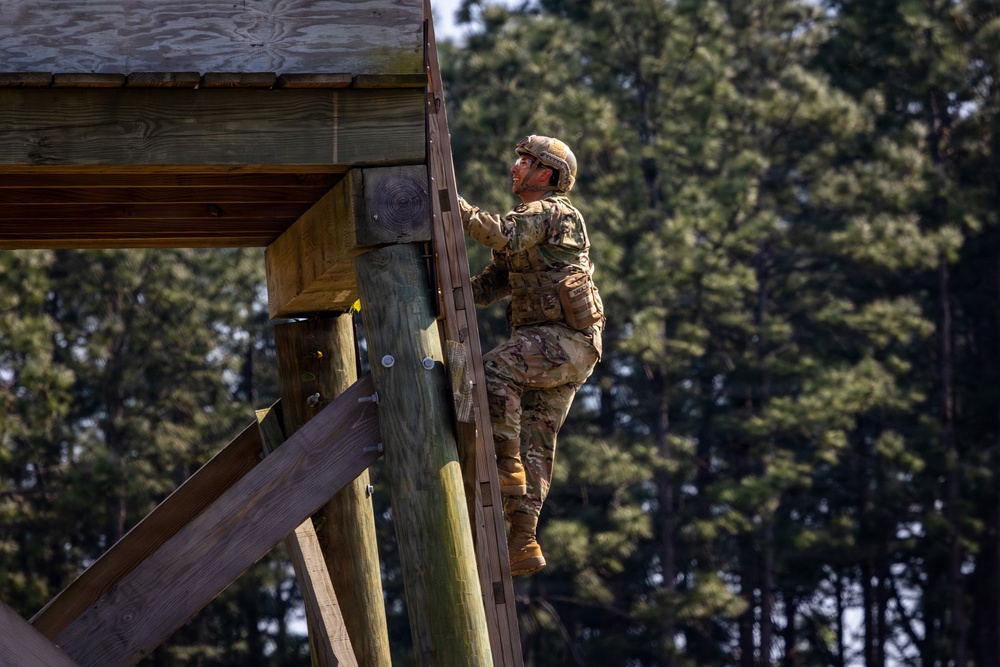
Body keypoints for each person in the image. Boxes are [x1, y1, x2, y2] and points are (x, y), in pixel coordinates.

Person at [458, 135, 604, 576]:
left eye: (525, 161)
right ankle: (523, 541)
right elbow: (491, 284)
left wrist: (451, 205)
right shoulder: (536, 225)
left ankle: (506, 468)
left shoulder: (551, 210)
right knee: (535, 445)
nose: (514, 167)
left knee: (494, 370)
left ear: (546, 174)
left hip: (563, 340)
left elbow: (501, 234)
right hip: (568, 349)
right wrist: (445, 292)